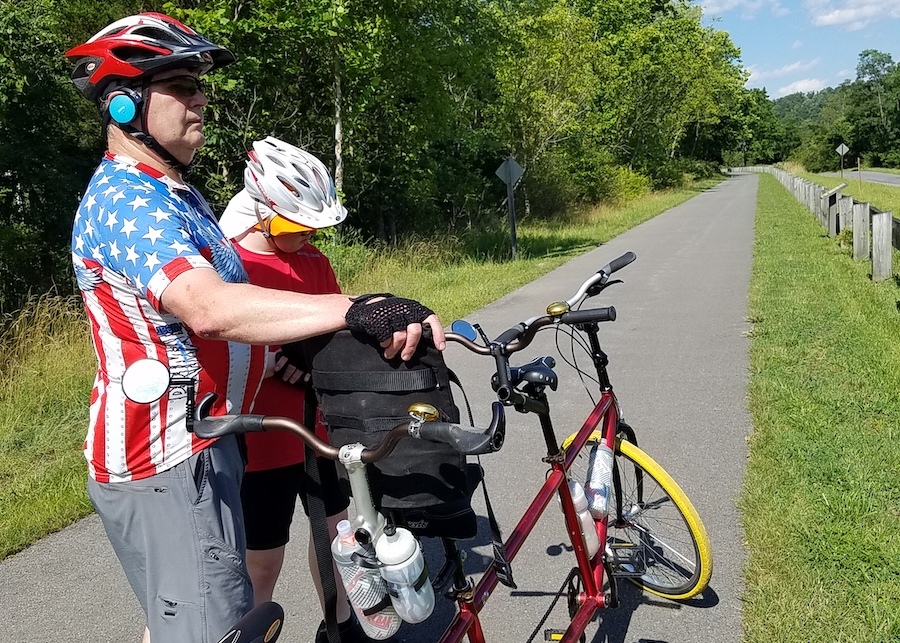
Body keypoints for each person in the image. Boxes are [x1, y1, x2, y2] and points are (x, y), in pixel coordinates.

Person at [65, 13, 444, 643]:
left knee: (216, 614)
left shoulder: (174, 192)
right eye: (181, 85)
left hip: (210, 443)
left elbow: (235, 316)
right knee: (216, 627)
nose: (200, 100)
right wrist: (355, 307)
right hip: (164, 454)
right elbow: (208, 306)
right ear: (125, 103)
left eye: (201, 86)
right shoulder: (127, 200)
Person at [218, 137, 366, 642]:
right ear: (261, 212)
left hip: (318, 426)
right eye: (293, 225)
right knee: (264, 559)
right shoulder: (229, 269)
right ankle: (251, 633)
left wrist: (312, 355)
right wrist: (274, 360)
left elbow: (334, 325)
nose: (304, 235)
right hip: (263, 438)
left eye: (313, 227)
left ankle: (340, 626)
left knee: (337, 537)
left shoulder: (313, 264)